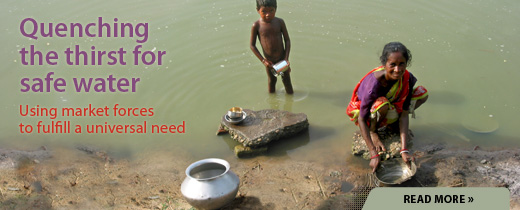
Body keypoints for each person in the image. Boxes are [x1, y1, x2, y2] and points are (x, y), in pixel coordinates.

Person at [346, 42, 428, 173]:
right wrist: (373, 153)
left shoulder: (406, 78)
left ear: (406, 63)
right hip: (370, 113)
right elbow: (361, 118)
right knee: (382, 104)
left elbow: (405, 113)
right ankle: (374, 131)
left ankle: (392, 125)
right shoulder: (374, 84)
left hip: (392, 105)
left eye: (402, 64)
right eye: (393, 65)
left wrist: (404, 149)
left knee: (422, 94)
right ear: (385, 64)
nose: (397, 69)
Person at [250, 0, 294, 94]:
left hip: (282, 59)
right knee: (272, 81)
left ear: (276, 9)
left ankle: (290, 102)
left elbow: (287, 40)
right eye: (264, 11)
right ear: (258, 10)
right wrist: (263, 60)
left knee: (287, 81)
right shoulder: (256, 26)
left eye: (271, 10)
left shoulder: (280, 22)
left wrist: (286, 59)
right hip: (269, 62)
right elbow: (252, 46)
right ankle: (272, 104)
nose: (268, 14)